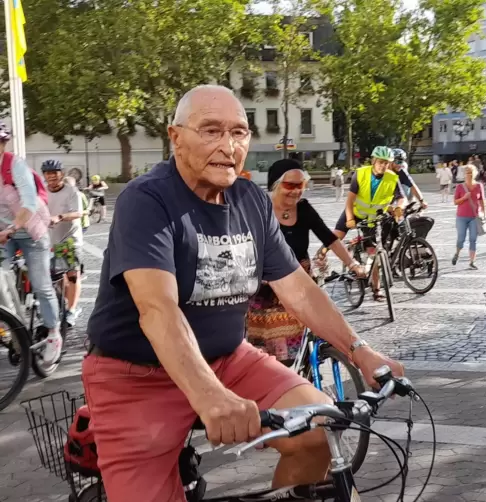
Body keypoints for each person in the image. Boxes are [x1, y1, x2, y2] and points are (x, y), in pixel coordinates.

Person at [83, 85, 403, 502]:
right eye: (211, 130)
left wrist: (362, 351)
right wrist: (210, 395)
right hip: (136, 375)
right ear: (175, 137)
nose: (228, 145)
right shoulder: (146, 199)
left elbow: (299, 291)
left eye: (239, 132)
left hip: (229, 359)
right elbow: (157, 307)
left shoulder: (250, 199)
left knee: (320, 432)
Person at [247, 158, 366, 364]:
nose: (296, 191)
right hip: (266, 288)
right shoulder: (259, 210)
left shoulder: (304, 208)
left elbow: (329, 239)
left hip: (300, 283)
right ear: (275, 185)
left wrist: (353, 265)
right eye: (290, 185)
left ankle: (305, 385)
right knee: (270, 355)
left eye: (300, 185)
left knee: (306, 343)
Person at [0, 124, 60, 365]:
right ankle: (16, 327)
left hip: (30, 231)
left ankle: (54, 334)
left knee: (41, 285)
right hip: (3, 234)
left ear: (3, 145)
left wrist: (13, 228)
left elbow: (29, 203)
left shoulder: (15, 166)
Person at [332, 146, 405, 301]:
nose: (383, 165)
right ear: (373, 161)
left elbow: (400, 197)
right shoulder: (361, 173)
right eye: (380, 162)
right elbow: (350, 200)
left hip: (373, 218)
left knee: (374, 253)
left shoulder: (392, 178)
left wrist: (399, 207)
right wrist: (350, 218)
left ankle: (376, 289)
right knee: (334, 237)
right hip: (356, 212)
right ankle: (320, 263)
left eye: (387, 163)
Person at [42, 161, 84, 327]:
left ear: (62, 174)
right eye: (48, 172)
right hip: (49, 241)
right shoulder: (42, 192)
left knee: (72, 275)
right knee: (58, 278)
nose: (51, 175)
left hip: (69, 240)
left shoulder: (71, 191)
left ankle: (72, 310)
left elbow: (77, 213)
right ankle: (63, 305)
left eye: (55, 172)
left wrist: (59, 217)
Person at [452, 164, 486, 270]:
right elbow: (455, 202)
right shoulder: (460, 187)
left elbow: (482, 200)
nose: (469, 175)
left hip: (474, 217)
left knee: (473, 239)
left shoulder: (479, 186)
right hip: (461, 217)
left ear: (475, 173)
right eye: (467, 173)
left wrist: (484, 213)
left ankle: (472, 261)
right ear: (464, 174)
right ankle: (457, 253)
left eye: (471, 172)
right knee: (461, 238)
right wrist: (464, 198)